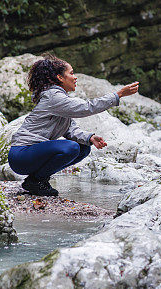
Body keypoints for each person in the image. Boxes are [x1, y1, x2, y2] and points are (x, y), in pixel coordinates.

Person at [8, 54, 140, 197]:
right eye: (71, 73)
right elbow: (87, 107)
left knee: (83, 148)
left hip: (31, 155)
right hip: (21, 155)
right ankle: (36, 181)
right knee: (72, 147)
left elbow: (70, 129)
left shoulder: (58, 98)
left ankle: (37, 180)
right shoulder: (54, 97)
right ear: (60, 77)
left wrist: (90, 137)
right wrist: (117, 95)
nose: (75, 77)